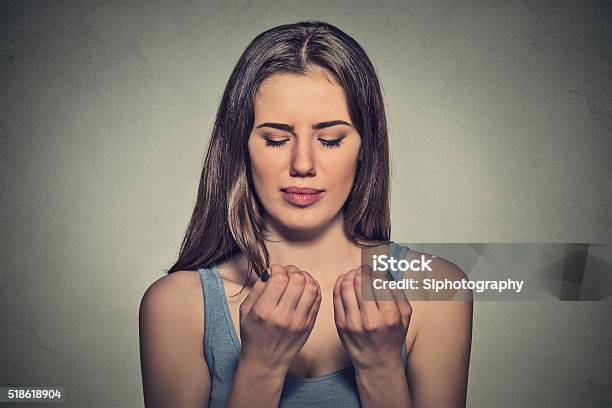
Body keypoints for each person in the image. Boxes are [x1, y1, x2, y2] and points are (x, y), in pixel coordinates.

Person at [139, 20, 472, 407]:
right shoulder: (175, 306)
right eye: (277, 139)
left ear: (365, 147)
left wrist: (380, 369)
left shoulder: (438, 289)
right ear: (241, 147)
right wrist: (260, 366)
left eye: (330, 140)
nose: (302, 163)